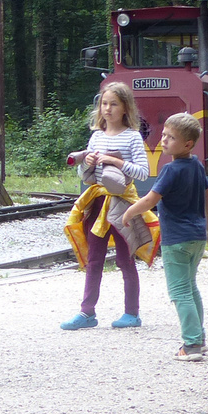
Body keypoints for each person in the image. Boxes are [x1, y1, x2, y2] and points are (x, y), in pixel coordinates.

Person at [122, 113, 208, 361]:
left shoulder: (170, 170)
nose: (164, 140)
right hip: (197, 237)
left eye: (171, 137)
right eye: (164, 134)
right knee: (190, 288)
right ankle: (199, 337)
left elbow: (151, 200)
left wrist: (130, 211)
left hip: (177, 240)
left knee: (179, 292)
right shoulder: (197, 165)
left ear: (187, 144)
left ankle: (191, 345)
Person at [61, 82, 155, 331]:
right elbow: (86, 177)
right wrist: (87, 163)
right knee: (94, 259)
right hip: (97, 203)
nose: (108, 109)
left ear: (125, 107)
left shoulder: (133, 137)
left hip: (122, 205)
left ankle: (132, 313)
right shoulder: (97, 136)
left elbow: (144, 173)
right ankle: (86, 312)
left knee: (126, 259)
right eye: (104, 103)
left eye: (114, 104)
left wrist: (115, 161)